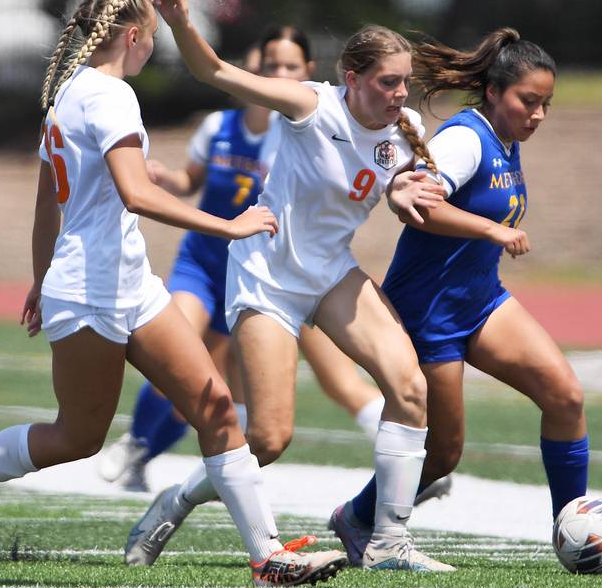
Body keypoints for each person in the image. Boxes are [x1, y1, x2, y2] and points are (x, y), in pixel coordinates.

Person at [0, 0, 348, 587]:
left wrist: (40, 273)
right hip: (89, 291)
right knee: (77, 436)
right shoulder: (110, 96)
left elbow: (48, 201)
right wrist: (227, 225)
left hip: (129, 283)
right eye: (153, 37)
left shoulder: (70, 93)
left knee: (214, 407)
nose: (152, 49)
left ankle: (268, 559)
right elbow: (136, 192)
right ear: (132, 36)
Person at [125, 0, 453, 573]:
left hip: (329, 272)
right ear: (351, 79)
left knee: (409, 386)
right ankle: (174, 500)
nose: (401, 93)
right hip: (267, 274)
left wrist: (410, 192)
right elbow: (215, 73)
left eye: (406, 81)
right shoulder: (311, 104)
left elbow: (409, 186)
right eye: (388, 82)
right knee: (270, 440)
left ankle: (388, 542)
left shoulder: (408, 134)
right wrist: (181, 24)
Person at [329, 28, 589, 566]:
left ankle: (574, 531)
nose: (538, 114)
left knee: (565, 397)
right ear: (494, 92)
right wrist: (493, 232)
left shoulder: (507, 137)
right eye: (528, 101)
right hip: (429, 313)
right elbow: (418, 204)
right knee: (443, 455)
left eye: (546, 104)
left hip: (481, 301)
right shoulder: (465, 139)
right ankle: (356, 516)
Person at [97, 26, 387, 491]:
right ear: (257, 70)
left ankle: (156, 453)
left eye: (291, 67)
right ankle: (136, 439)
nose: (280, 74)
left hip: (254, 270)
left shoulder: (298, 129)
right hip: (203, 262)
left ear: (308, 73)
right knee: (176, 347)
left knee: (207, 381)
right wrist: (166, 178)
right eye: (272, 66)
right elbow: (190, 179)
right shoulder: (218, 127)